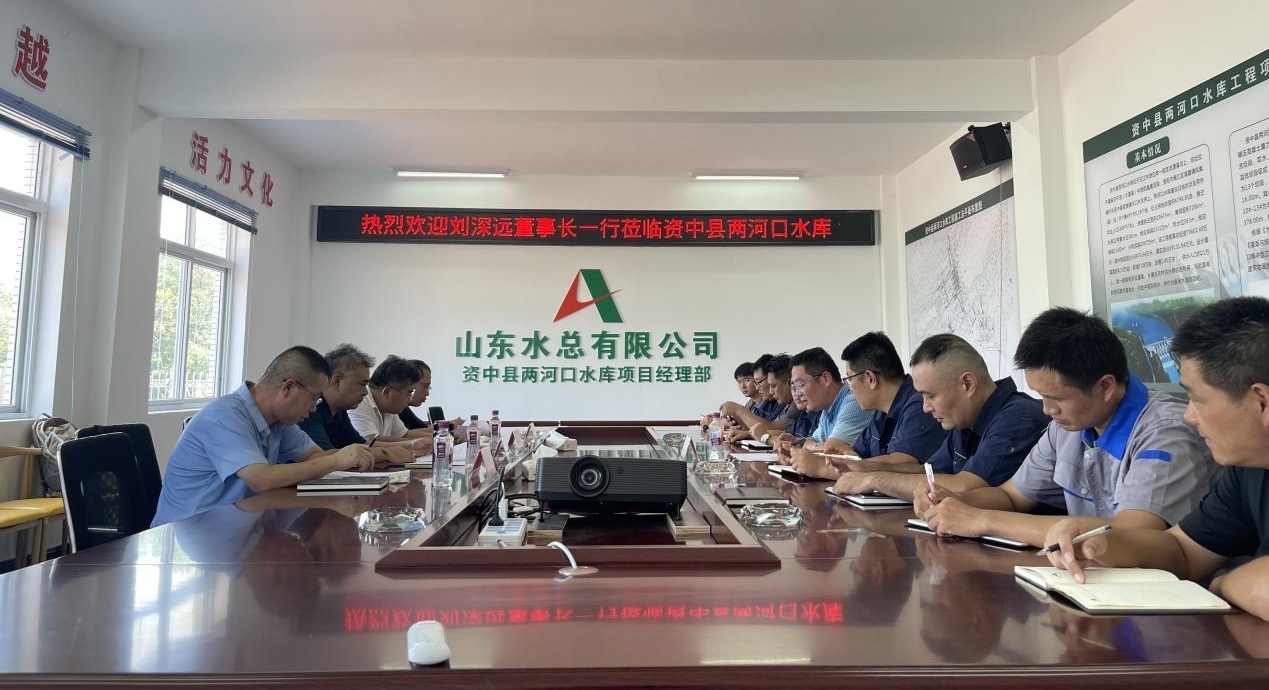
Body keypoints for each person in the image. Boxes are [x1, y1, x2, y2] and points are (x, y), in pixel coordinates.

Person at [1042, 298, 1269, 621]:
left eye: (1197, 399)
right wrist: (1107, 543)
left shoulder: (1170, 428)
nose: (1189, 416)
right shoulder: (1248, 470)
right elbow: (1183, 551)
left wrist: (1224, 583)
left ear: (1262, 401)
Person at [914, 307, 1217, 547]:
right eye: (1041, 395)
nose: (1047, 410)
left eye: (1057, 398)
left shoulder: (1164, 432)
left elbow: (1130, 534)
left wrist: (982, 520)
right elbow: (1012, 496)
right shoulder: (1067, 426)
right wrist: (953, 502)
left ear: (1105, 386)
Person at [152, 346, 373, 526]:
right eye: (314, 398)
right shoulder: (224, 416)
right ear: (288, 387)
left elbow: (315, 457)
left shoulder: (280, 422)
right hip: (187, 534)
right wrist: (336, 461)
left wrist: (335, 462)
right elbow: (261, 479)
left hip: (237, 525)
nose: (314, 408)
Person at [833, 333, 1049, 499]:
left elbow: (967, 486)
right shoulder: (964, 420)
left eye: (931, 396)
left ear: (967, 384)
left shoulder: (1018, 419)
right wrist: (866, 468)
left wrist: (875, 480)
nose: (925, 407)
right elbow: (927, 472)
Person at [297, 344, 424, 465]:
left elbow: (361, 446)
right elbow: (325, 459)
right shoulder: (311, 409)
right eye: (362, 384)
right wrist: (385, 453)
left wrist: (398, 449)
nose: (365, 392)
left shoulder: (339, 412)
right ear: (337, 381)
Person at [779, 347, 870, 472]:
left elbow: (831, 450)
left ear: (826, 378)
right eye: (794, 387)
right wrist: (795, 442)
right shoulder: (827, 408)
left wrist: (807, 446)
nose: (797, 393)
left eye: (801, 385)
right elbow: (816, 440)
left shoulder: (853, 402)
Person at [348, 355, 424, 444]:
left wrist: (434, 439)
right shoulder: (359, 402)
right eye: (409, 393)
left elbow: (404, 434)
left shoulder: (389, 407)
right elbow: (370, 441)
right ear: (387, 392)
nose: (410, 398)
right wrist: (413, 444)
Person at [397, 359, 463, 435]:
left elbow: (415, 430)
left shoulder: (403, 409)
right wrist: (447, 428)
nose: (427, 393)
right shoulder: (394, 409)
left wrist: (446, 431)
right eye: (425, 386)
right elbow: (405, 436)